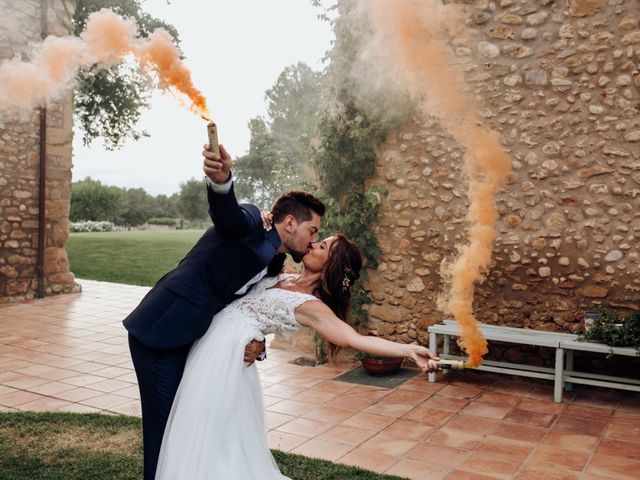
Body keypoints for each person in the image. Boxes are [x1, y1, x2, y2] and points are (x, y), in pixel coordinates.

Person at [155, 234, 440, 479]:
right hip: (214, 348)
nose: (314, 243)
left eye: (323, 246)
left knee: (210, 430)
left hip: (227, 360)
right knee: (199, 427)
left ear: (331, 264)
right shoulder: (284, 273)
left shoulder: (311, 306)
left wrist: (407, 350)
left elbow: (353, 338)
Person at [123, 142, 326, 480]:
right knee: (166, 429)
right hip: (162, 331)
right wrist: (221, 181)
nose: (313, 239)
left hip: (196, 338)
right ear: (290, 222)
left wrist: (256, 342)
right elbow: (227, 215)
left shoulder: (273, 263)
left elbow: (247, 309)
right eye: (313, 231)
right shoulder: (250, 221)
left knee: (189, 425)